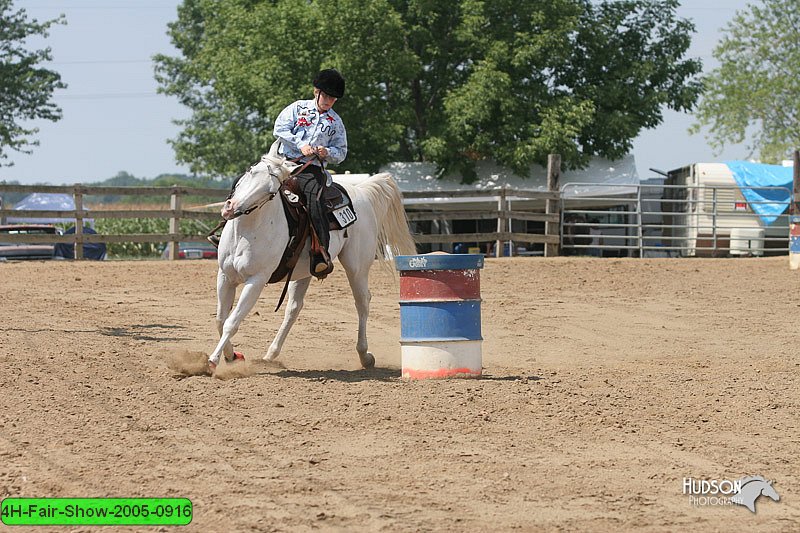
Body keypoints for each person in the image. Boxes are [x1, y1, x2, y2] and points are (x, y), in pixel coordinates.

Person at [273, 68, 348, 277]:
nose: (329, 101)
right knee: (247, 181)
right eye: (326, 95)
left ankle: (320, 252)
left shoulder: (336, 123)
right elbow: (279, 129)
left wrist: (327, 152)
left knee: (315, 199)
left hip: (311, 169)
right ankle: (226, 229)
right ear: (317, 91)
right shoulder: (297, 108)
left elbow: (341, 153)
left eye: (333, 98)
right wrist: (301, 143)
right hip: (283, 161)